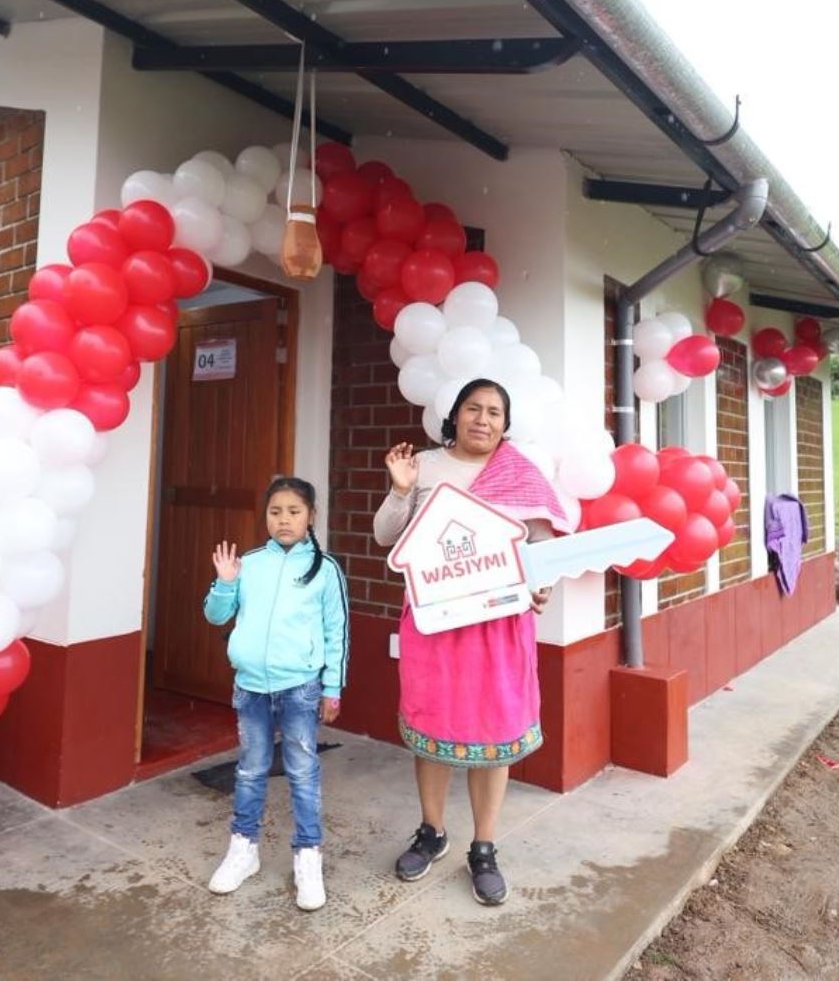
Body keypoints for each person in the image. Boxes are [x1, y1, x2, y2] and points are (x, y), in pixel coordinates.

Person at [374, 379, 573, 906]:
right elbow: (385, 535)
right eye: (472, 409)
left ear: (505, 424)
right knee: (432, 723)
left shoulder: (518, 473)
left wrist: (540, 585)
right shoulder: (424, 465)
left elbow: (541, 546)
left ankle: (483, 847)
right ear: (455, 415)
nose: (482, 419)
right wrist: (400, 489)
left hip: (498, 626)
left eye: (494, 412)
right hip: (434, 622)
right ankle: (432, 832)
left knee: (495, 729)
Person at [203, 476, 349, 912]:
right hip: (250, 688)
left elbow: (336, 632)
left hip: (300, 688)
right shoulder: (248, 563)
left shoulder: (325, 570)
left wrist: (332, 688)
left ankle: (308, 855)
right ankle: (243, 848)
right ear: (265, 516)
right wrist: (225, 582)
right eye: (275, 512)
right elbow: (215, 616)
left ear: (311, 517)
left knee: (303, 772)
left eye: (293, 512)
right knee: (249, 770)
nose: (284, 520)